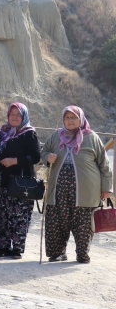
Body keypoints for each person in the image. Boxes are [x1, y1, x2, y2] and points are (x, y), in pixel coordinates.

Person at [42, 106, 114, 263]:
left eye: (73, 117)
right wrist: (48, 157)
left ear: (81, 119)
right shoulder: (56, 135)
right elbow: (44, 151)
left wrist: (107, 188)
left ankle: (82, 253)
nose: (70, 121)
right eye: (67, 118)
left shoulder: (91, 137)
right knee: (57, 221)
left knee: (83, 223)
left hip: (85, 191)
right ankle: (57, 253)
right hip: (59, 190)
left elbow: (104, 164)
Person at [0, 103, 40, 259]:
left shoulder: (29, 134)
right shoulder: (1, 132)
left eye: (18, 114)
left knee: (18, 217)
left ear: (24, 116)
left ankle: (17, 249)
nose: (14, 117)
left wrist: (15, 160)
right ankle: (2, 247)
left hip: (19, 184)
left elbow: (36, 157)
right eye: (11, 114)